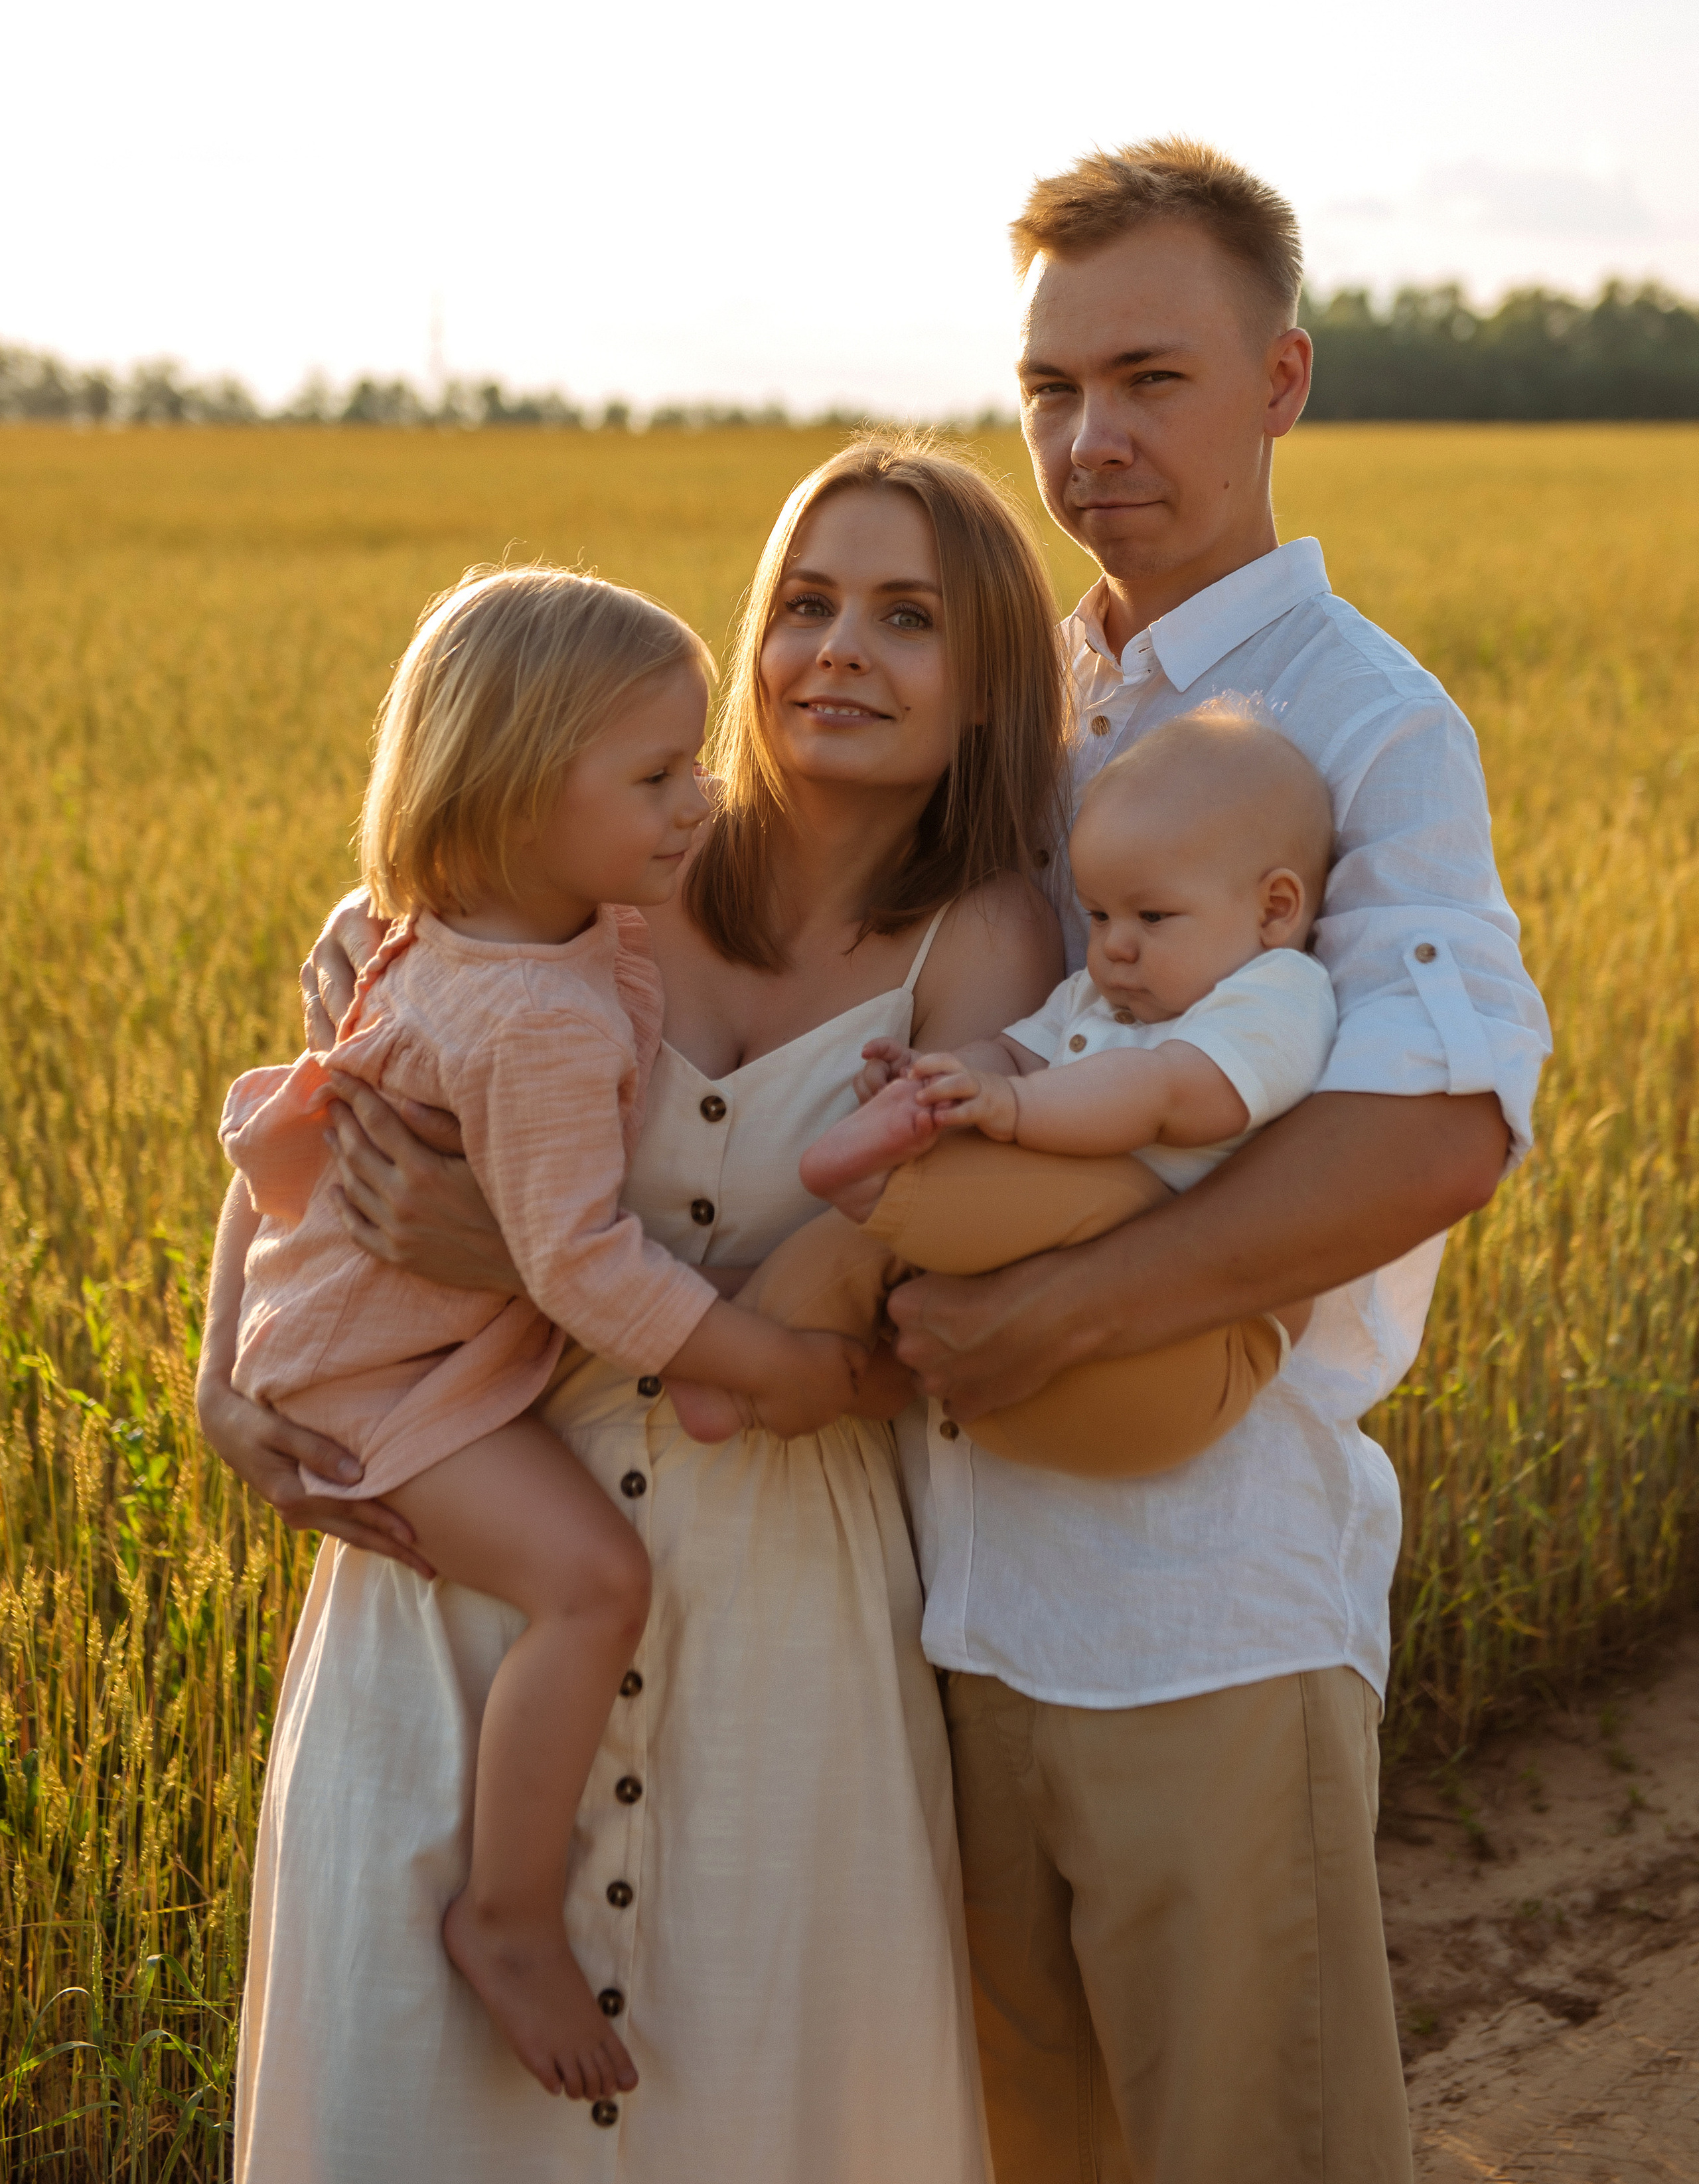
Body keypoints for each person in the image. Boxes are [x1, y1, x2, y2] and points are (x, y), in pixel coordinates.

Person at [198, 437, 1116, 2183]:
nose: (837, 648)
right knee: (417, 2109)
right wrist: (216, 1376)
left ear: (994, 677)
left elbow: (908, 1338)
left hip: (783, 1624)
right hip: (459, 1575)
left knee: (759, 2099)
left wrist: (527, 1268)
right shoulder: (575, 865)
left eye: (907, 617)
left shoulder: (991, 949)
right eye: (807, 602)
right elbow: (317, 1116)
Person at [876, 139, 1551, 2182]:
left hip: (1203, 1609)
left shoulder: (1366, 726)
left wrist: (1054, 1313)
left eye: (1149, 379)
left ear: (1281, 380)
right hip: (945, 1602)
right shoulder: (996, 690)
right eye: (1049, 391)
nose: (1088, 441)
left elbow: (1441, 1123)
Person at [211, 565, 883, 2106]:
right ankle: (507, 1913)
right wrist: (762, 1361)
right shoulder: (539, 1014)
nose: (697, 800)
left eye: (695, 761)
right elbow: (581, 1268)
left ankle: (507, 1904)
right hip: (371, 1378)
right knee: (593, 1583)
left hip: (370, 1337)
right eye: (654, 774)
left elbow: (289, 1105)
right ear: (517, 799)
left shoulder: (521, 934)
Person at [769, 702, 1336, 1478]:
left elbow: (1167, 1095)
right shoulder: (1097, 1002)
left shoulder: (1275, 993)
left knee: (1045, 1182)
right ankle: (752, 1366)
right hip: (1015, 1378)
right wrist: (941, 1078)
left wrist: (1011, 1109)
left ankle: (874, 1180)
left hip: (1191, 1349)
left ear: (1274, 910)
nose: (1114, 947)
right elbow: (1012, 1051)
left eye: (1152, 916)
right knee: (848, 1249)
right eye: (1097, 915)